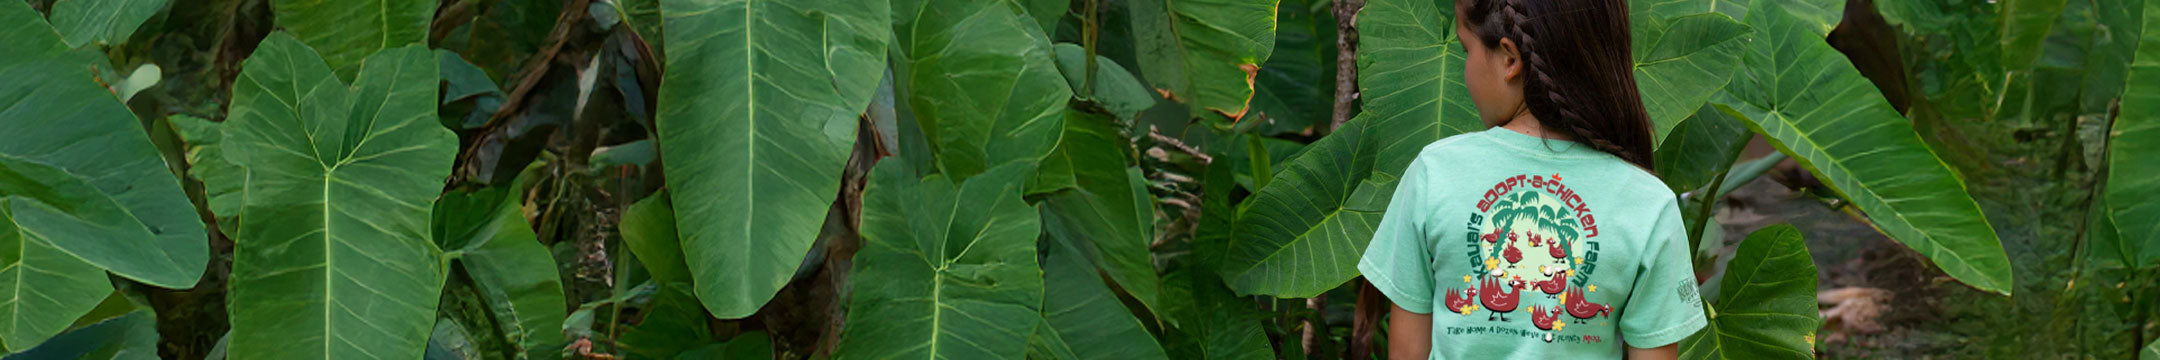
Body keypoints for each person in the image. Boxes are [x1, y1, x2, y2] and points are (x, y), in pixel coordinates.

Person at [1354, 0, 1707, 358]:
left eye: (1466, 49)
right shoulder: (1648, 203)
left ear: (1510, 59)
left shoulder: (1435, 172)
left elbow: (1408, 353)